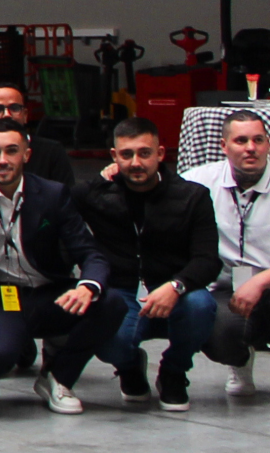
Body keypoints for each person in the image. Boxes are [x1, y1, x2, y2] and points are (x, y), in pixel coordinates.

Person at [0, 122, 118, 410]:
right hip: (0, 297)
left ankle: (57, 377)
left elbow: (89, 252)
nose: (3, 159)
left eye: (11, 151)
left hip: (48, 292)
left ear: (27, 154)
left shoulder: (53, 195)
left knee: (111, 303)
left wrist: (87, 286)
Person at [80, 116, 221, 411]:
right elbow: (45, 197)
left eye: (144, 153)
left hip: (174, 289)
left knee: (201, 305)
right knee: (99, 325)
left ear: (160, 154)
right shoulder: (95, 194)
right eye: (127, 154)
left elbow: (208, 261)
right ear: (114, 157)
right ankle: (129, 366)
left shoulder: (192, 197)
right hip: (123, 292)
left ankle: (173, 371)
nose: (135, 162)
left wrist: (176, 286)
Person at [195, 113, 270, 396]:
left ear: (268, 144)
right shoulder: (199, 181)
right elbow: (153, 185)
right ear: (224, 146)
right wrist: (114, 174)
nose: (250, 147)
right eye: (241, 140)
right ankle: (240, 361)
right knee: (220, 334)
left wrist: (261, 281)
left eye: (258, 140)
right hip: (226, 290)